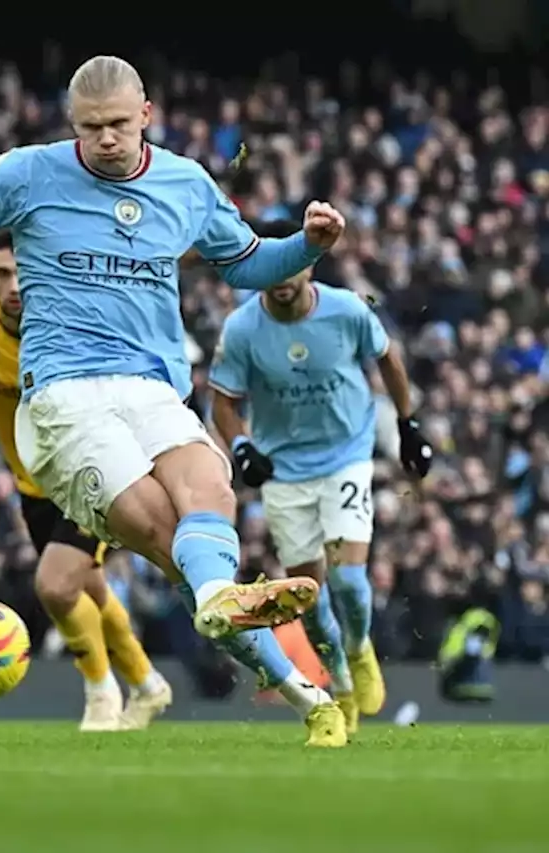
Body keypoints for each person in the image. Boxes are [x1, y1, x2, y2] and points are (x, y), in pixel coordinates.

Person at [0, 55, 349, 746]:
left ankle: (306, 696)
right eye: (92, 127)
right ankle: (286, 680)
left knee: (210, 496)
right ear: (74, 124)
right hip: (66, 398)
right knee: (169, 539)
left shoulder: (185, 184)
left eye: (119, 125)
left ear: (147, 117)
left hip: (154, 387)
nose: (106, 139)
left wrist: (306, 246)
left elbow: (247, 263)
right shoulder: (30, 173)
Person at [0, 232, 172, 731]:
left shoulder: (74, 320)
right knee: (88, 587)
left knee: (54, 587)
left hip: (96, 474)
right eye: (2, 274)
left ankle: (100, 692)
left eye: (22, 272)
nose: (14, 285)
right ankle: (147, 683)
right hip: (35, 489)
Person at [208, 219, 433, 734]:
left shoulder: (347, 310)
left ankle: (358, 652)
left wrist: (407, 422)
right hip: (284, 471)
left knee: (351, 581)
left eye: (294, 264)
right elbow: (224, 401)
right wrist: (241, 446)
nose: (283, 277)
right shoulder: (242, 329)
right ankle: (338, 682)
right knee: (307, 595)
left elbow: (388, 360)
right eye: (273, 266)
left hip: (345, 456)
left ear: (310, 263)